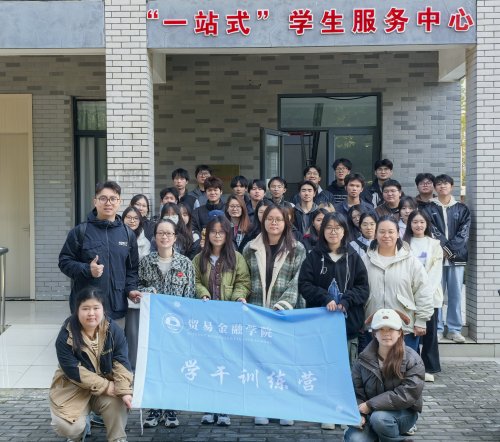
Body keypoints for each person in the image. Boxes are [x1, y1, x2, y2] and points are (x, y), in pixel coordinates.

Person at [299, 212, 369, 431]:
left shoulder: (353, 257)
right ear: (322, 231)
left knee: (347, 370)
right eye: (329, 227)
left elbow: (363, 288)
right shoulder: (314, 256)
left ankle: (343, 410)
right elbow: (304, 285)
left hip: (348, 326)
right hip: (321, 326)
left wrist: (347, 300)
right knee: (324, 369)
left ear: (344, 231)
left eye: (338, 228)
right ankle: (327, 412)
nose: (333, 231)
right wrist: (325, 298)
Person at [243, 204, 306, 426]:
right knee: (260, 362)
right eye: (270, 219)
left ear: (286, 222)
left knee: (284, 363)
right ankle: (262, 406)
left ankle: (285, 407)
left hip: (285, 314)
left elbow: (298, 281)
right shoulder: (250, 247)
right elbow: (244, 278)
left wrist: (284, 305)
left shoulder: (297, 248)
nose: (274, 223)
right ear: (263, 221)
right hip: (258, 313)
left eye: (279, 219)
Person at [49, 287, 133, 442]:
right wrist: (106, 386)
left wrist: (124, 391)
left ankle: (118, 438)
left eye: (96, 308)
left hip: (103, 389)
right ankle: (77, 434)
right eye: (85, 308)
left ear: (103, 310)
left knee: (119, 398)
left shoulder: (113, 330)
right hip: (73, 388)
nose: (91, 313)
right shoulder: (66, 335)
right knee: (69, 427)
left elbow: (121, 361)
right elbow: (73, 371)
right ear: (77, 310)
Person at [192, 216, 251, 427]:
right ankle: (209, 406)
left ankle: (225, 407)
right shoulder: (199, 258)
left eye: (221, 232)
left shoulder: (236, 257)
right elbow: (194, 281)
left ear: (227, 235)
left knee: (226, 364)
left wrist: (238, 296)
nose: (217, 235)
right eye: (213, 231)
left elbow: (244, 281)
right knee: (208, 363)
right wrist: (203, 293)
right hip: (206, 320)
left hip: (229, 320)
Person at [138, 219, 196, 429]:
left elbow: (190, 296)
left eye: (168, 233)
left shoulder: (185, 263)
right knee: (154, 367)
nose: (164, 237)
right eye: (160, 233)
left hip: (177, 328)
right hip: (153, 326)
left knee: (173, 367)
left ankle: (171, 408)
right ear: (154, 237)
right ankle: (154, 409)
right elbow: (138, 287)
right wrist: (147, 291)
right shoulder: (146, 262)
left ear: (175, 237)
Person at [59, 181, 140, 323]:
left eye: (113, 199)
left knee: (116, 338)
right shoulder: (80, 232)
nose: (108, 203)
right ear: (95, 201)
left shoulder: (128, 234)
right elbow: (64, 262)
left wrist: (131, 289)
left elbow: (132, 270)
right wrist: (87, 269)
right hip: (87, 308)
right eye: (103, 198)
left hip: (117, 308)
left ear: (119, 202)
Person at [344, 308, 425, 442]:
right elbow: (355, 392)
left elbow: (408, 394)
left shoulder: (413, 359)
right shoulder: (362, 359)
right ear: (374, 333)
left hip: (403, 413)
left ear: (399, 333)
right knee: (355, 438)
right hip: (369, 413)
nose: (386, 333)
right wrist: (359, 414)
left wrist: (370, 405)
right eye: (381, 329)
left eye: (391, 329)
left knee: (380, 419)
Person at [361, 216, 433, 353]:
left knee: (404, 364)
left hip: (404, 327)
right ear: (376, 234)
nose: (386, 235)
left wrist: (422, 320)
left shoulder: (411, 261)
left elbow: (423, 291)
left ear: (398, 233)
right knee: (374, 364)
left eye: (391, 232)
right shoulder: (365, 261)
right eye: (382, 231)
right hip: (373, 325)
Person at [423, 174, 471, 343]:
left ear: (452, 186)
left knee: (455, 295)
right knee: (436, 294)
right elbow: (430, 229)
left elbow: (464, 233)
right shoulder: (428, 208)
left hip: (457, 258)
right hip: (435, 258)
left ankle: (454, 329)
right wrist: (442, 249)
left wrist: (449, 250)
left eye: (445, 183)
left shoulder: (462, 208)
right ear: (435, 187)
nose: (442, 186)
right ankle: (437, 328)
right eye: (439, 184)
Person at [403, 210, 443, 382]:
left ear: (427, 224)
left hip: (430, 296)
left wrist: (424, 292)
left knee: (429, 334)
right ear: (409, 224)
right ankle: (413, 366)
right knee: (412, 333)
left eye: (421, 222)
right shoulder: (404, 244)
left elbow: (436, 272)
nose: (418, 225)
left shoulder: (435, 244)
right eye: (415, 222)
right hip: (408, 295)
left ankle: (429, 367)